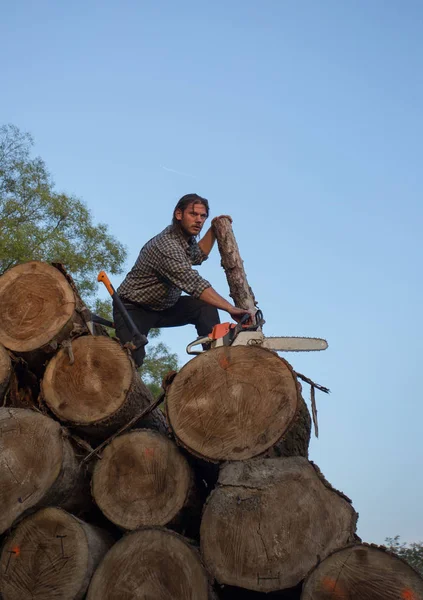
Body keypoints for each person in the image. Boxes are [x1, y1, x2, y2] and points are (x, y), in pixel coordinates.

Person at [114, 193, 252, 366]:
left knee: (204, 308)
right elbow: (195, 284)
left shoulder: (184, 240)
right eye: (193, 214)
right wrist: (231, 308)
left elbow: (198, 255)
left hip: (163, 307)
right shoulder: (166, 246)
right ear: (179, 214)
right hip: (132, 309)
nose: (199, 220)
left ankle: (216, 361)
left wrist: (214, 229)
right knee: (132, 360)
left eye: (203, 216)